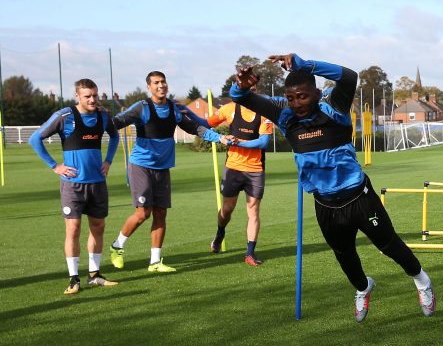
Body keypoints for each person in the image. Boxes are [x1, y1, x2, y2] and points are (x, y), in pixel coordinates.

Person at [231, 53, 435, 322]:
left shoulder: (335, 109)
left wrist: (304, 64)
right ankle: (363, 288)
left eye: (302, 96)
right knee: (344, 255)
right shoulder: (285, 116)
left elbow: (349, 76)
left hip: (359, 197)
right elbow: (241, 98)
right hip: (325, 203)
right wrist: (241, 86)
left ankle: (422, 282)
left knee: (388, 245)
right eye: (291, 98)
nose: (296, 103)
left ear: (316, 93)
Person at [109, 71, 228, 272]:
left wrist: (220, 138)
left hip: (163, 167)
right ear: (149, 87)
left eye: (163, 81)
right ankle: (117, 247)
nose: (161, 85)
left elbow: (193, 128)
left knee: (161, 214)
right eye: (156, 83)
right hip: (141, 165)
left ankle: (155, 262)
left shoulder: (173, 108)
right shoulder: (142, 107)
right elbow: (116, 122)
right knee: (143, 213)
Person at [29, 78, 120, 294]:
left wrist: (108, 161)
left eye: (95, 96)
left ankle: (94, 275)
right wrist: (55, 166)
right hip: (72, 185)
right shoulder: (64, 116)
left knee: (98, 227)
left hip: (97, 183)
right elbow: (35, 139)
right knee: (74, 229)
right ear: (77, 96)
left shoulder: (103, 116)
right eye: (87, 96)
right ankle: (73, 279)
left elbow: (115, 137)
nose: (92, 100)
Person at [205, 88, 274, 266]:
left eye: (252, 91)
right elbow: (206, 124)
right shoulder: (229, 109)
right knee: (227, 209)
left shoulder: (264, 112)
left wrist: (238, 142)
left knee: (253, 211)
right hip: (233, 168)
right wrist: (220, 137)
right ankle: (220, 233)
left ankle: (249, 254)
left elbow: (263, 142)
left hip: (255, 169)